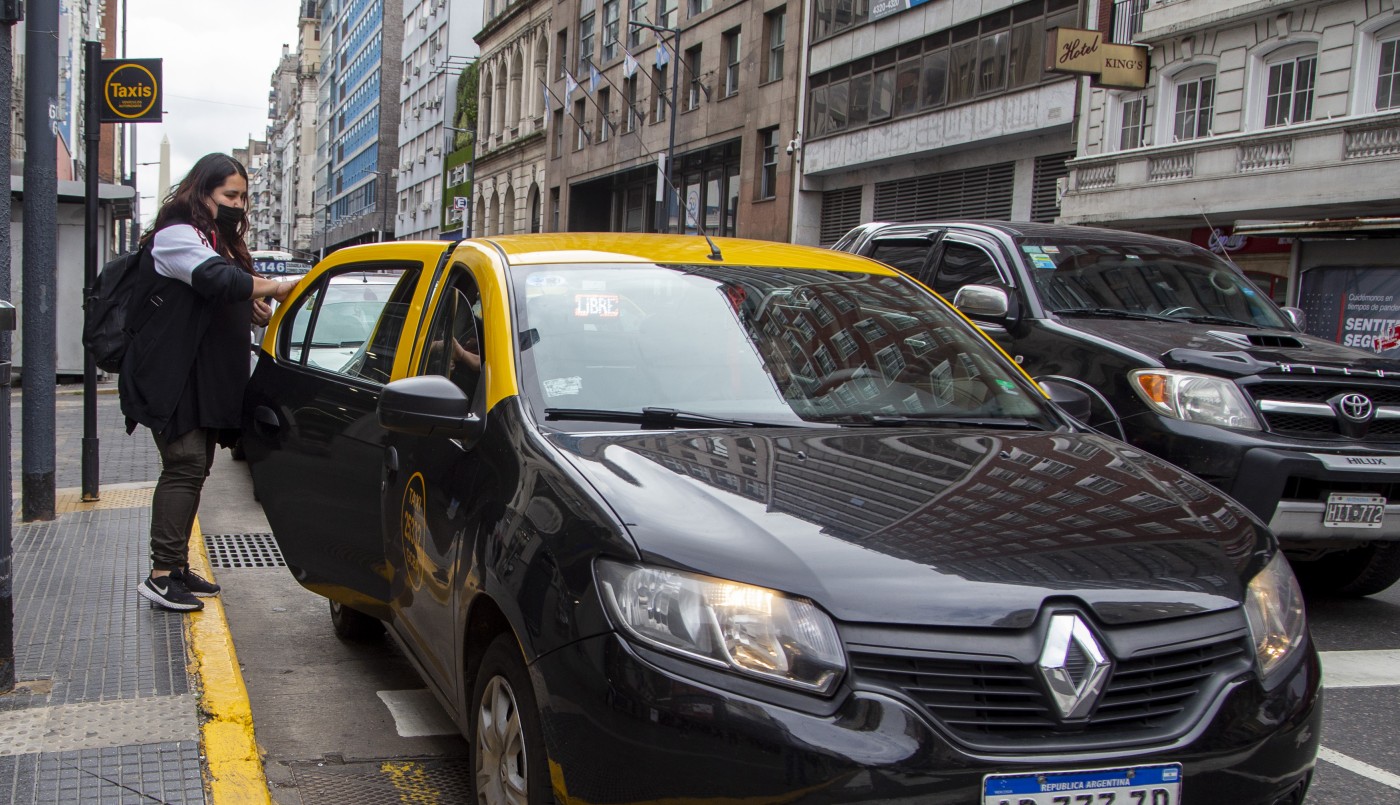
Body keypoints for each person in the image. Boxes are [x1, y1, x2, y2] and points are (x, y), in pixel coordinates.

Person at [120, 153, 300, 612]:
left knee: (195, 468)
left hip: (200, 376)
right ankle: (161, 575)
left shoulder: (212, 238)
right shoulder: (177, 234)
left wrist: (251, 305)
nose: (239, 204)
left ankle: (175, 566)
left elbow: (219, 294)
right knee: (182, 466)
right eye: (229, 195)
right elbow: (214, 279)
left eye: (243, 196)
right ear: (202, 193)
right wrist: (273, 287)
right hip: (173, 375)